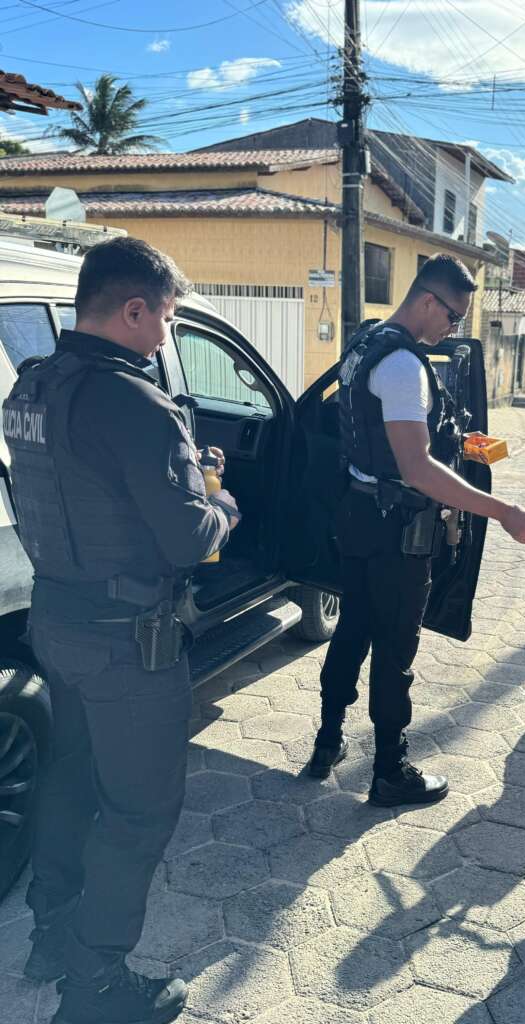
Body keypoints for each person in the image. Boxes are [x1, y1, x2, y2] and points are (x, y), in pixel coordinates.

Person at [2, 238, 239, 1024]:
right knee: (137, 813)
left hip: (58, 621)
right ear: (133, 310)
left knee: (69, 786)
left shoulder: (34, 386)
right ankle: (96, 985)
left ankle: (51, 935)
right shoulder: (134, 403)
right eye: (166, 318)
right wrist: (220, 497)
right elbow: (192, 540)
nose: (167, 334)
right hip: (128, 643)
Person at [307, 254, 525, 807]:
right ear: (428, 300)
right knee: (394, 651)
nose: (454, 328)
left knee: (351, 630)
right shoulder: (404, 366)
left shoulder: (365, 344)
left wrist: (456, 444)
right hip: (398, 531)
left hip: (358, 514)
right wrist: (501, 509)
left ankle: (327, 742)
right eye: (455, 316)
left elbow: (380, 437)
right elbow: (415, 468)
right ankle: (390, 771)